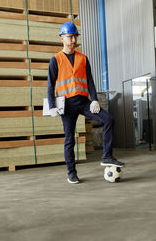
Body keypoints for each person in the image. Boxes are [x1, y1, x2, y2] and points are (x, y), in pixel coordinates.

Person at [47, 22, 124, 184]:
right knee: (69, 139)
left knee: (108, 119)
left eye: (75, 36)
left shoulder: (82, 58)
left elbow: (90, 81)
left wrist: (94, 99)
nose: (73, 39)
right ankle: (71, 173)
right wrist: (52, 106)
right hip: (66, 105)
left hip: (83, 102)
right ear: (62, 38)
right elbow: (50, 84)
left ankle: (107, 155)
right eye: (70, 36)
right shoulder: (56, 60)